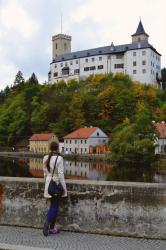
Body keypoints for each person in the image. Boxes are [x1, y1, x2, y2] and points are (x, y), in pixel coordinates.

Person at [43, 141, 67, 236]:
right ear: (57, 148)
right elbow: (61, 175)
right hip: (56, 184)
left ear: (50, 148)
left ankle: (51, 228)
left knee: (53, 206)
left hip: (49, 184)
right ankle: (47, 224)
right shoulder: (59, 158)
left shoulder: (45, 157)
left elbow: (44, 173)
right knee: (54, 206)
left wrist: (46, 183)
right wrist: (64, 188)